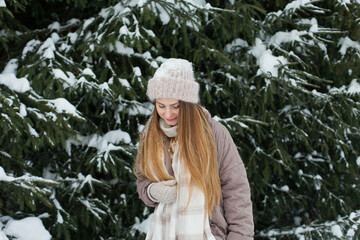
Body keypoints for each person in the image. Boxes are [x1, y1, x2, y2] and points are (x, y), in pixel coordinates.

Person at [134, 58, 254, 240]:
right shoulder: (151, 135)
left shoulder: (214, 134)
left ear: (188, 103)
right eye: (161, 106)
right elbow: (142, 178)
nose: (168, 114)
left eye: (175, 106)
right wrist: (151, 191)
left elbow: (236, 190)